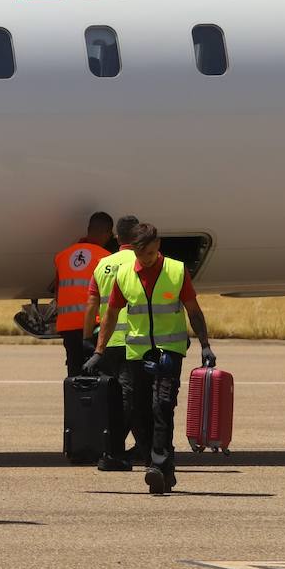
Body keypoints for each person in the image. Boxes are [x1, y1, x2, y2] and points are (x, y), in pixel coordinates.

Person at [84, 223, 216, 495]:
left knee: (162, 406)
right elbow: (109, 315)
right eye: (145, 254)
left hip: (170, 349)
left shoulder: (176, 271)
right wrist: (99, 351)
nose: (150, 258)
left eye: (155, 252)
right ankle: (162, 467)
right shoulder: (124, 275)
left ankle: (158, 466)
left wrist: (205, 345)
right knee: (138, 409)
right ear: (134, 250)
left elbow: (193, 310)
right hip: (137, 352)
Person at [81, 215, 145, 471]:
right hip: (135, 340)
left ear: (117, 237)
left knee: (114, 398)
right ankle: (117, 448)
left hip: (108, 342)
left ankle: (123, 446)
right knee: (134, 397)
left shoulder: (102, 265)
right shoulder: (143, 262)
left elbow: (91, 305)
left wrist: (88, 338)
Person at [52, 212, 113, 376]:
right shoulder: (106, 258)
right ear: (107, 233)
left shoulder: (63, 256)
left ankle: (74, 402)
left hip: (68, 326)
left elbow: (58, 293)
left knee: (74, 374)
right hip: (92, 325)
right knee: (96, 376)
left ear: (88, 230)